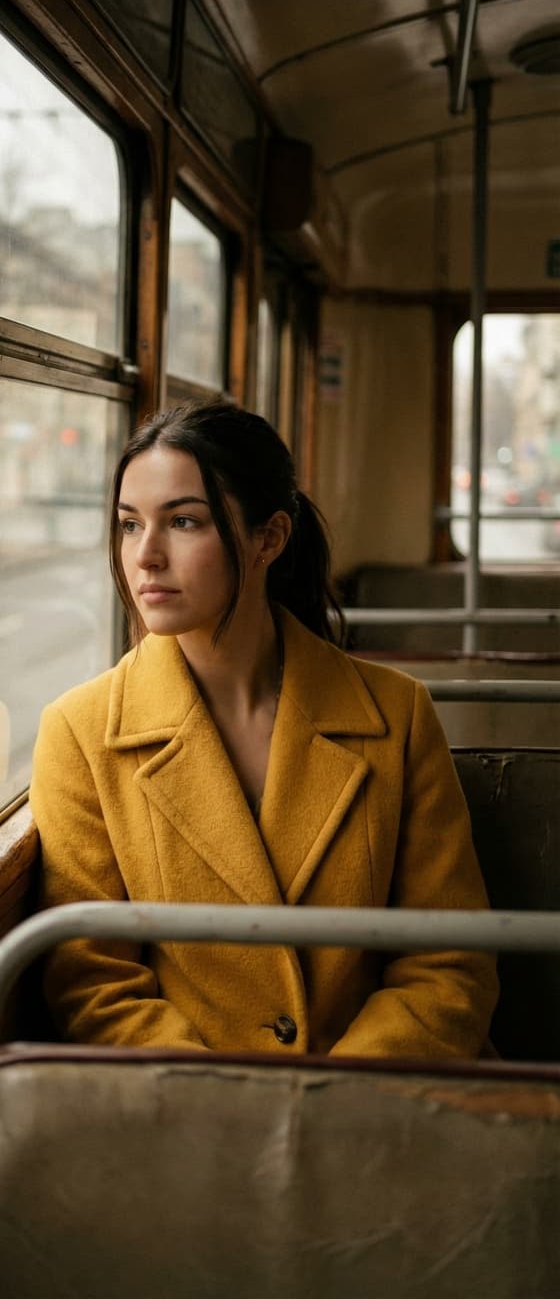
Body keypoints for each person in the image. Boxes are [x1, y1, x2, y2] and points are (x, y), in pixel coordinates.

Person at [30, 400, 498, 1058]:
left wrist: (338, 1099)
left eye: (183, 522)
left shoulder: (397, 714)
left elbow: (450, 961)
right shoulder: (79, 733)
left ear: (269, 538)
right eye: (129, 525)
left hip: (378, 1104)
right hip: (191, 1116)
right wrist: (232, 1110)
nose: (147, 556)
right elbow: (94, 983)